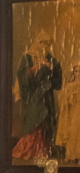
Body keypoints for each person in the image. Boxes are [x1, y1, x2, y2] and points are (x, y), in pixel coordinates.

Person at [12, 30, 61, 161]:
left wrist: (51, 68)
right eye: (42, 43)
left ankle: (42, 150)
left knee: (45, 123)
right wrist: (33, 69)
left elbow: (58, 83)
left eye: (47, 44)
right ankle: (29, 149)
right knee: (33, 121)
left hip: (47, 97)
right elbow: (22, 79)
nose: (44, 46)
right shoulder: (27, 57)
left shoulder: (51, 60)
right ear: (37, 42)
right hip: (32, 97)